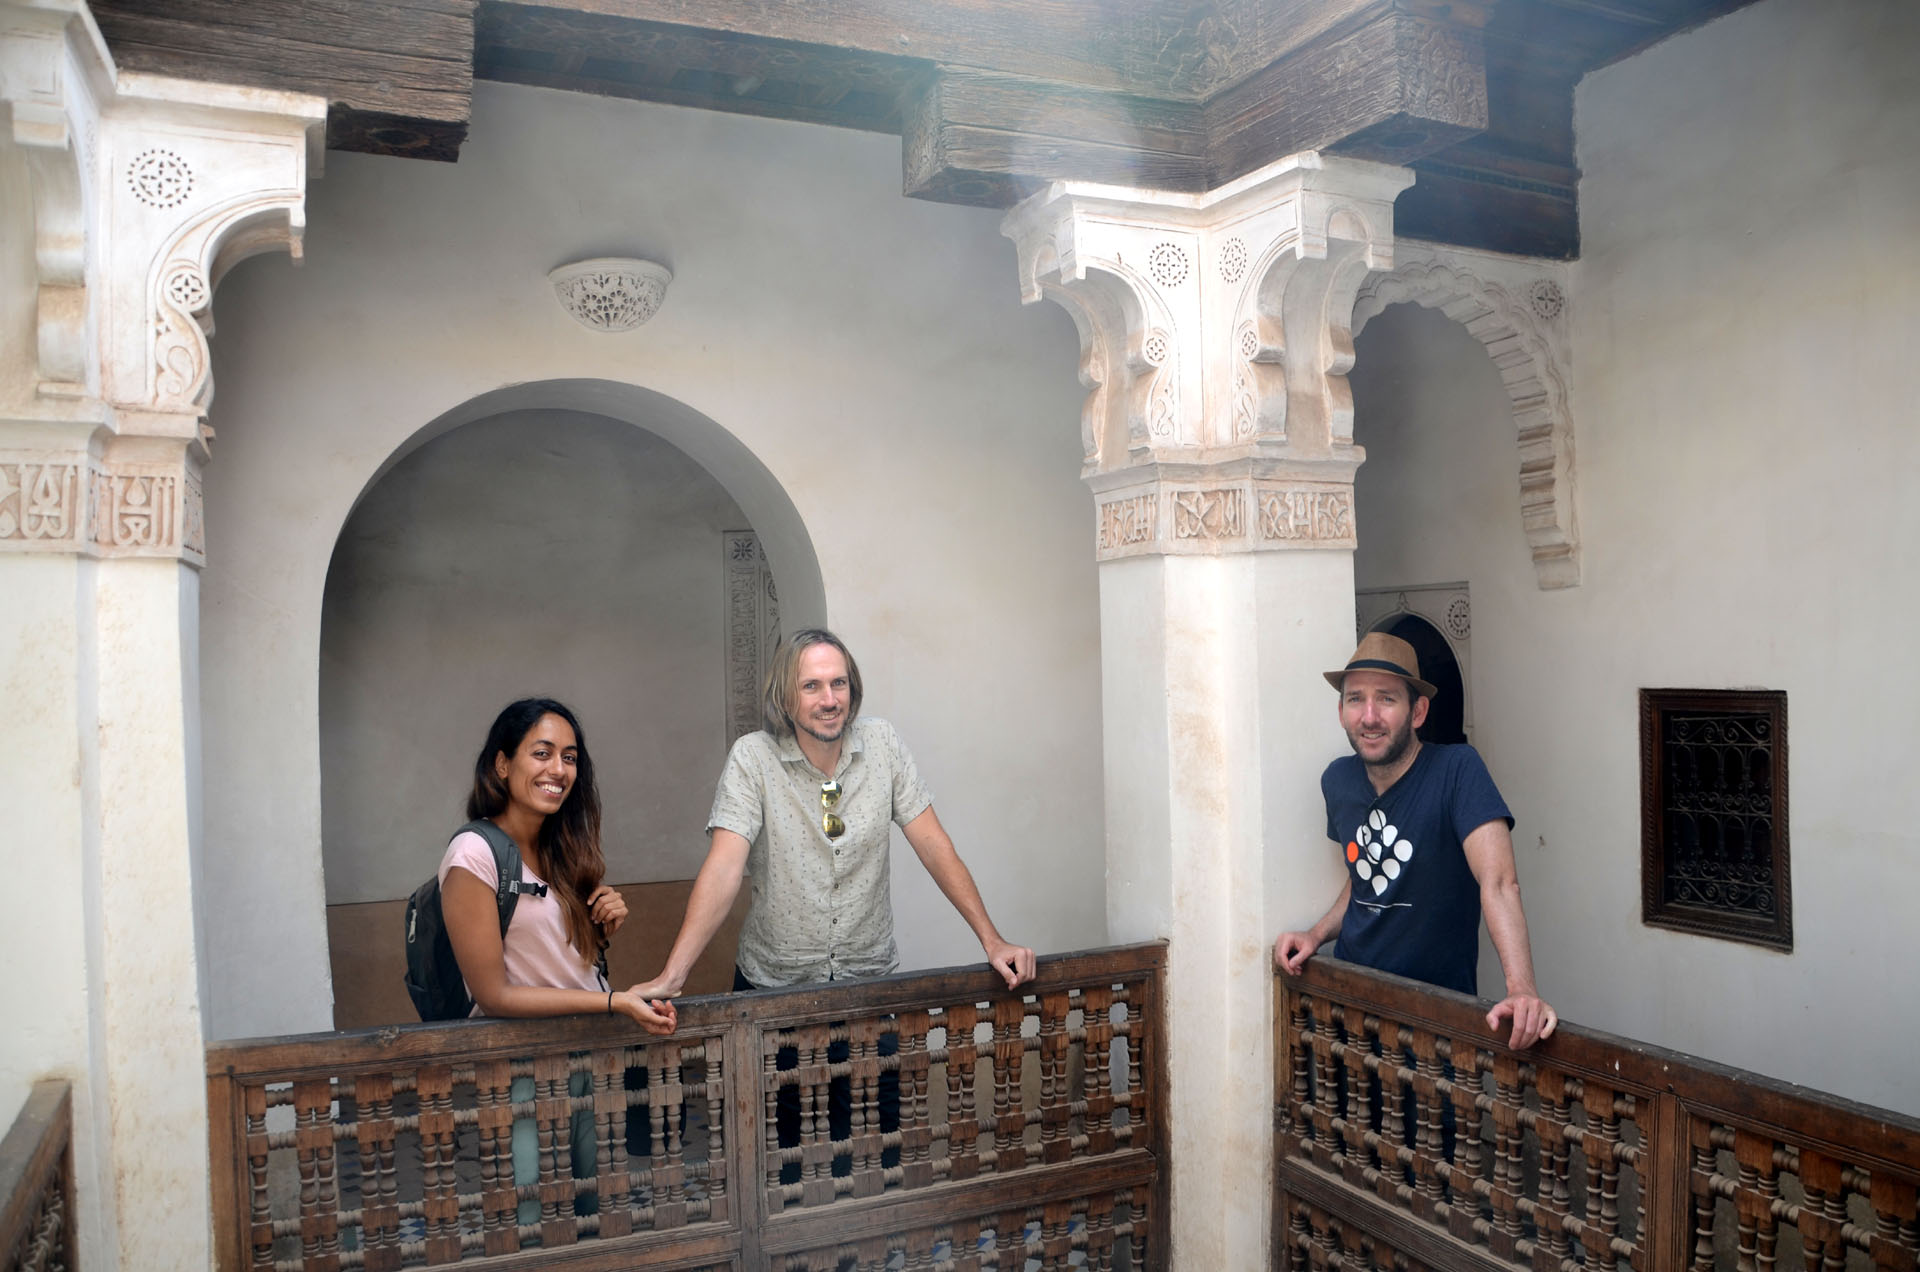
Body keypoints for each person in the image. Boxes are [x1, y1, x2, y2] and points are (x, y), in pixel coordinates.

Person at [630, 629, 1035, 1181]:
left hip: (867, 987)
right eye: (812, 685)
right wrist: (674, 974)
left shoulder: (883, 745)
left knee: (876, 1148)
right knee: (778, 1159)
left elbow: (935, 846)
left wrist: (992, 938)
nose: (829, 698)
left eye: (838, 683)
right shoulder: (754, 758)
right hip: (774, 993)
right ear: (785, 697)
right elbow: (725, 867)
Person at [440, 698, 677, 1222]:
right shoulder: (473, 856)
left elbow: (556, 959)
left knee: (596, 1213)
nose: (558, 770)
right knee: (531, 1220)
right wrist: (615, 1002)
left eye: (569, 757)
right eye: (541, 753)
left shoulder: (564, 851)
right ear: (502, 764)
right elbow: (494, 994)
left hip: (590, 1059)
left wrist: (597, 926)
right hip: (519, 1069)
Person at [1272, 633, 1557, 1050]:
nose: (1369, 716)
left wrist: (1522, 988)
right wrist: (1316, 935)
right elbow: (1363, 876)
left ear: (1418, 711)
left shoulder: (1457, 772)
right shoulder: (1337, 780)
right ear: (1341, 711)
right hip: (1352, 1002)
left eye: (1386, 699)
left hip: (1435, 1017)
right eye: (1355, 699)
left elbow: (1498, 882)